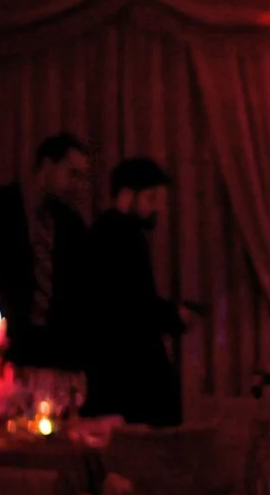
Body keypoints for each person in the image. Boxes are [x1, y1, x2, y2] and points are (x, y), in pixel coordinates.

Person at [66, 158, 186, 425]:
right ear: (127, 195)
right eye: (151, 198)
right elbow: (134, 305)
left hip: (114, 376)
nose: (157, 208)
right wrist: (174, 315)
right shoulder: (122, 236)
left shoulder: (104, 233)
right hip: (130, 378)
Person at [0, 131, 92, 369]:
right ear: (47, 165)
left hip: (54, 353)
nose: (78, 185)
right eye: (72, 174)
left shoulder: (71, 224)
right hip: (2, 345)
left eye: (82, 178)